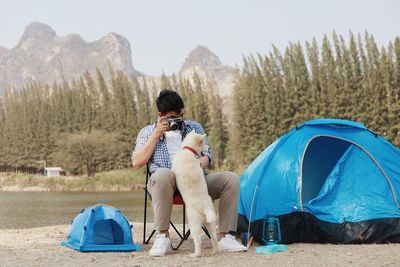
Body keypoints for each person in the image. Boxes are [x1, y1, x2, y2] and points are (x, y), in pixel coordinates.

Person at [131, 89, 247, 257]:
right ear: (160, 115)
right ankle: (163, 235)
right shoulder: (147, 132)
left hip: (195, 181)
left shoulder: (193, 127)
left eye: (180, 116)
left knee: (231, 179)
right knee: (163, 174)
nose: (177, 121)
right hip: (165, 184)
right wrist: (156, 135)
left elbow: (208, 156)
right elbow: (137, 162)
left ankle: (224, 237)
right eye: (172, 118)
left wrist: (196, 164)